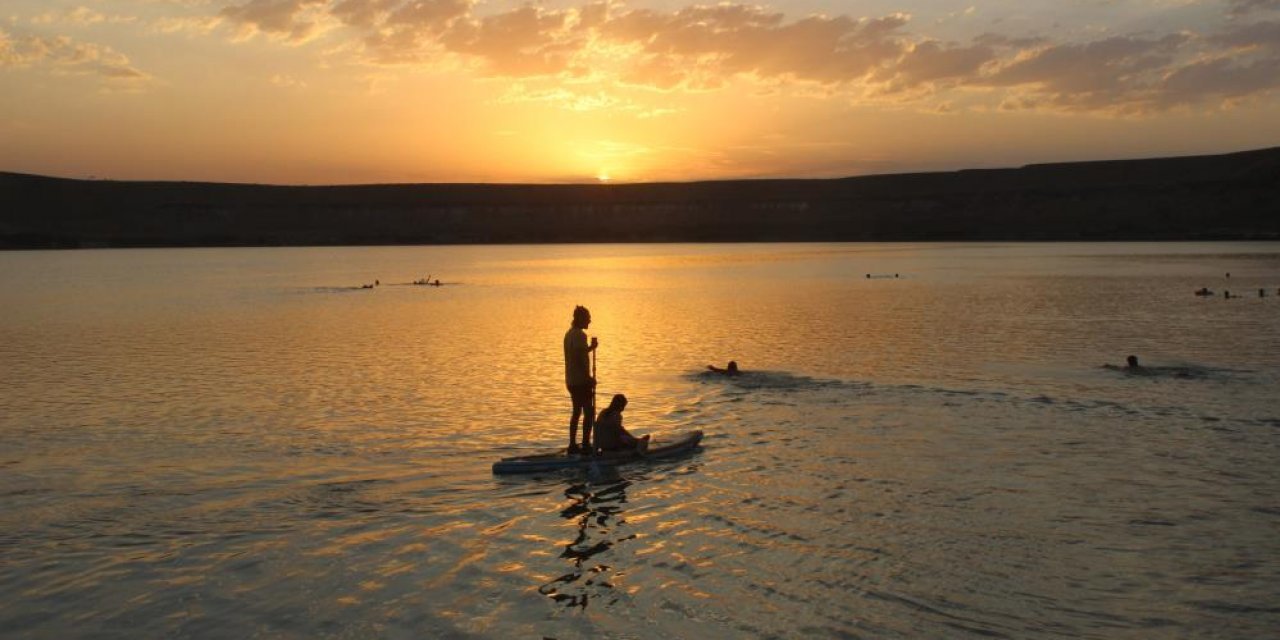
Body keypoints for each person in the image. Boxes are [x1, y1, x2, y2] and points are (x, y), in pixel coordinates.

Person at [564, 305, 598, 454]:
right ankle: (585, 444)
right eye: (587, 318)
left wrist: (591, 347)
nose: (589, 320)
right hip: (580, 381)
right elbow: (578, 359)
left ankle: (572, 444)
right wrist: (588, 378)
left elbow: (579, 353)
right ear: (579, 319)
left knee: (577, 412)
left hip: (571, 380)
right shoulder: (579, 335)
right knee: (589, 413)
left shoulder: (569, 334)